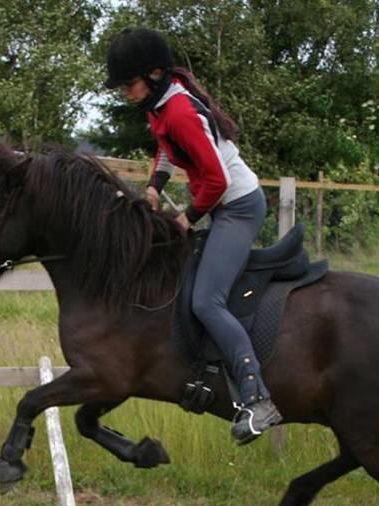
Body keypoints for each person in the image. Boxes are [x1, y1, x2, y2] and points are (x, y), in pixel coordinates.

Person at [104, 27, 282, 444]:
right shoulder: (161, 103)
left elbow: (217, 181)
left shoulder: (179, 110)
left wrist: (187, 219)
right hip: (221, 204)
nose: (126, 93)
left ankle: (258, 399)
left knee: (206, 300)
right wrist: (154, 186)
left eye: (128, 84)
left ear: (153, 74)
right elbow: (166, 149)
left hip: (237, 206)